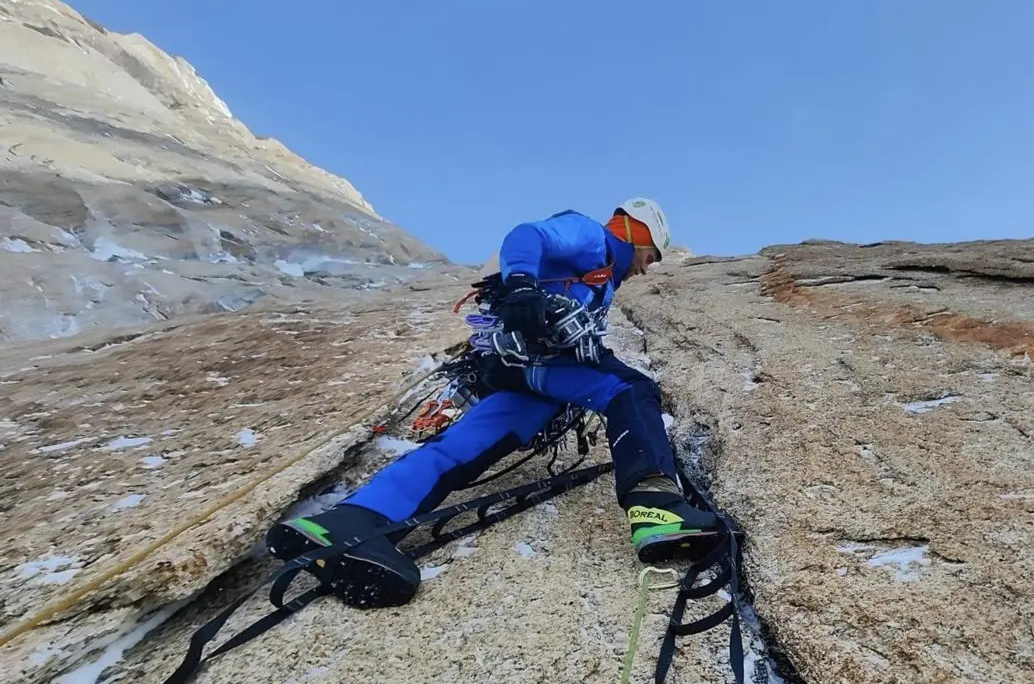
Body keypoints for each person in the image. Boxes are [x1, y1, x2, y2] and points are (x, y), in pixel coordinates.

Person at [264, 199, 720, 609]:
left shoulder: (602, 279)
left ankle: (352, 521)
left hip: (515, 367)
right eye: (652, 255)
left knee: (467, 444)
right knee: (629, 390)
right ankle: (658, 508)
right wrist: (522, 284)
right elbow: (528, 235)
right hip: (544, 361)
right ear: (638, 232)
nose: (647, 267)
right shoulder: (591, 236)